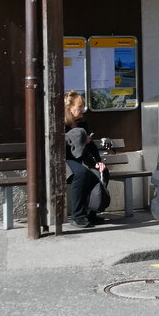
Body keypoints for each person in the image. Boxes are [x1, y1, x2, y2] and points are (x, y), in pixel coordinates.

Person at [63, 91, 107, 228]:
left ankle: (92, 213)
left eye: (83, 106)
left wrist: (98, 161)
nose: (83, 109)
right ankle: (78, 216)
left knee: (102, 172)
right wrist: (79, 140)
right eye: (80, 106)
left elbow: (91, 146)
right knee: (82, 174)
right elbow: (60, 147)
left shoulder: (82, 123)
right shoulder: (60, 124)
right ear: (69, 108)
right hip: (65, 160)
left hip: (82, 158)